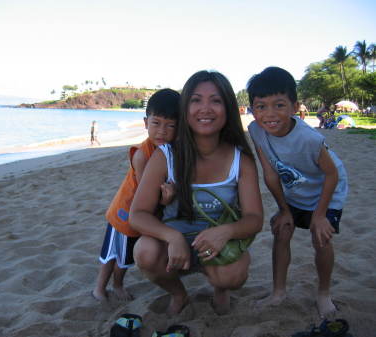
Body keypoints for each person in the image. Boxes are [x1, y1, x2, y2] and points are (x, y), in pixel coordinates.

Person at [130, 70, 263, 315]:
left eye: (215, 100)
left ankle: (220, 289)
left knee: (234, 274)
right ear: (185, 108)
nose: (205, 108)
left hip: (218, 245)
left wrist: (226, 232)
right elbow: (137, 214)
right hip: (173, 246)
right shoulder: (165, 156)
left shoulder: (240, 159)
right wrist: (172, 237)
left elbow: (255, 219)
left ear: (228, 108)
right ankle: (179, 294)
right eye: (196, 100)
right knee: (144, 252)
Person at [246, 67, 348, 318]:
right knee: (282, 230)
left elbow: (332, 174)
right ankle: (278, 292)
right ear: (252, 109)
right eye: (261, 106)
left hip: (327, 189)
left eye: (279, 105)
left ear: (294, 107)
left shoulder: (309, 139)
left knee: (320, 236)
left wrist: (320, 214)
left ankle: (323, 294)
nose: (269, 114)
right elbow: (270, 173)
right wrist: (284, 210)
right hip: (296, 190)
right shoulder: (256, 130)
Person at [92, 89, 180, 301]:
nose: (162, 131)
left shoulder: (171, 149)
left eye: (170, 125)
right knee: (112, 255)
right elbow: (145, 193)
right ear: (145, 122)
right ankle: (100, 288)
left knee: (126, 255)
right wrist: (165, 199)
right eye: (156, 123)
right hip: (125, 211)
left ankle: (117, 284)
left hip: (142, 214)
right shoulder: (142, 155)